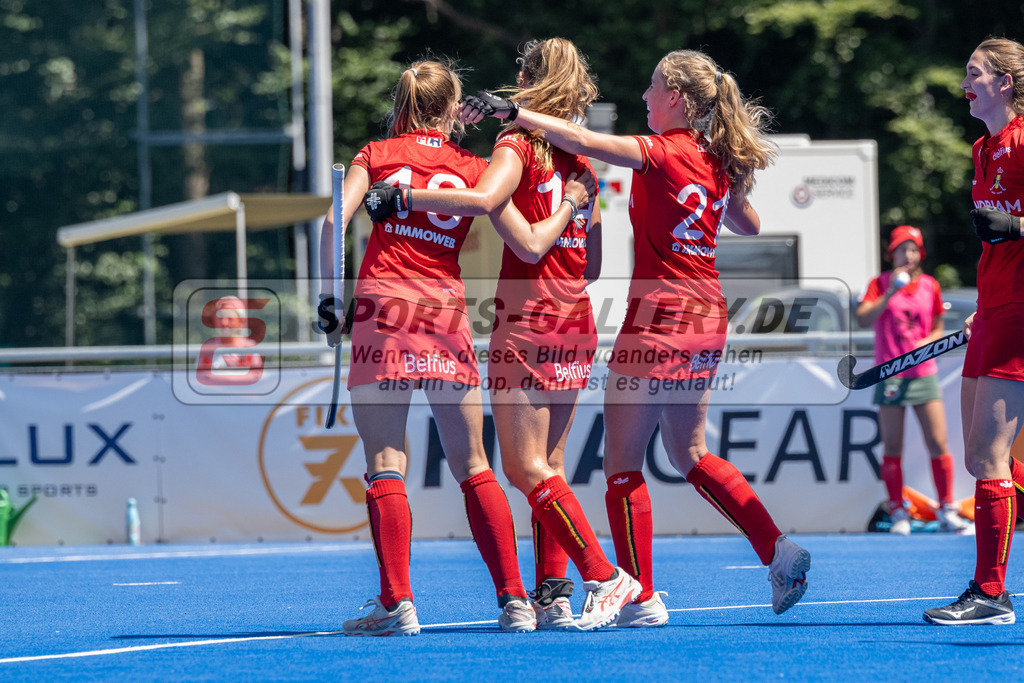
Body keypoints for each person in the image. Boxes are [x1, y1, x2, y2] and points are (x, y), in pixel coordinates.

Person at [460, 48, 811, 618]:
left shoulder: (663, 150)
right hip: (708, 314)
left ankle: (637, 594)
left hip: (660, 315)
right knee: (690, 452)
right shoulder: (714, 158)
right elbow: (749, 224)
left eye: (652, 87)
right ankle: (776, 547)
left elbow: (592, 144)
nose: (644, 97)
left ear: (675, 97)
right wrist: (732, 181)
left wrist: (516, 114)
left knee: (622, 463)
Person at [363, 38, 643, 631]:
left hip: (510, 315)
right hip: (570, 317)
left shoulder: (509, 145)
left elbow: (518, 229)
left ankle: (603, 576)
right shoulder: (580, 161)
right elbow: (590, 265)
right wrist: (569, 204)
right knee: (542, 466)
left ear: (526, 81)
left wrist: (402, 198)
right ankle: (547, 596)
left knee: (509, 468)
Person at [317, 59, 539, 636]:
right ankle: (515, 599)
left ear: (404, 102)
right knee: (474, 465)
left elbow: (330, 224)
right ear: (451, 107)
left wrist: (328, 301)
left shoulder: (377, 154)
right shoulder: (474, 166)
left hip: (382, 313)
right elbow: (524, 238)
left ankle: (397, 604)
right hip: (444, 314)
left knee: (385, 464)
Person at [924, 36, 1024, 625]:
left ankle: (991, 593)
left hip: (1019, 315)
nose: (965, 83)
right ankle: (991, 586)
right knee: (979, 459)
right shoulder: (982, 150)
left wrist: (1015, 224)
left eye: (975, 73)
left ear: (1006, 84)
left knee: (989, 457)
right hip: (993, 310)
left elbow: (1011, 232)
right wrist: (982, 302)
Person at [856, 225, 971, 535]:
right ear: (890, 254)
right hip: (890, 377)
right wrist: (890, 292)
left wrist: (928, 341)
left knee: (939, 442)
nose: (907, 255)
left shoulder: (930, 285)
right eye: (901, 249)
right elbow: (863, 318)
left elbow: (937, 327)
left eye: (912, 249)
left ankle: (947, 507)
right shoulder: (879, 284)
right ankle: (897, 510)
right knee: (893, 446)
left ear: (920, 254)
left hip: (923, 374)